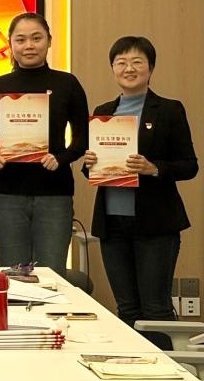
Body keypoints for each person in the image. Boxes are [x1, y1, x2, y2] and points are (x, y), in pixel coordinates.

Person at [82, 36, 197, 349]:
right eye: (121, 62)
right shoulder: (104, 112)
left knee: (155, 308)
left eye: (137, 62)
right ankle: (131, 365)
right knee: (127, 309)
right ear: (113, 68)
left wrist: (153, 168)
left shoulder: (169, 110)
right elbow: (94, 170)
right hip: (112, 224)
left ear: (150, 67)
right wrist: (89, 163)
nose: (128, 68)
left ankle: (166, 368)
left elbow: (189, 165)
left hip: (155, 224)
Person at [0, 13, 89, 276]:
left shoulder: (67, 84)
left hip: (54, 192)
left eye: (36, 38)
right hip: (9, 193)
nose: (29, 45)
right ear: (10, 45)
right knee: (15, 274)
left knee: (52, 274)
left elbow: (83, 136)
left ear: (49, 41)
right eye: (21, 39)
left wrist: (61, 158)